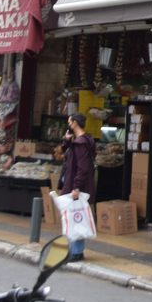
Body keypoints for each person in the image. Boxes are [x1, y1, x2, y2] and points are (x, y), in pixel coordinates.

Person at [58, 112, 97, 261]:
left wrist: (76, 187)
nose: (68, 125)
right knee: (76, 217)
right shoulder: (84, 141)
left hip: (76, 187)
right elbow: (64, 152)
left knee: (75, 217)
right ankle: (77, 251)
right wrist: (66, 141)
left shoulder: (80, 144)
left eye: (69, 122)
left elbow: (83, 167)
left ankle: (76, 252)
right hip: (78, 185)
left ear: (75, 123)